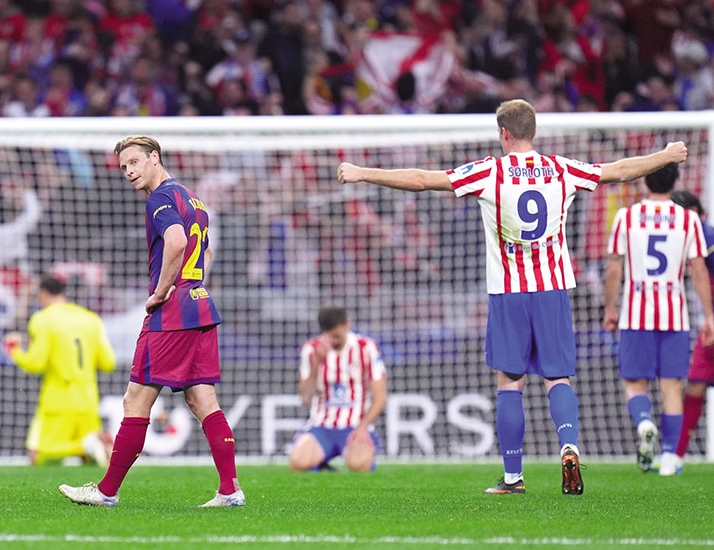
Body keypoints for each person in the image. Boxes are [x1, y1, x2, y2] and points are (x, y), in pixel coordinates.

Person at [337, 99, 689, 496]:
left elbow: (422, 180)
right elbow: (620, 171)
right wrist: (664, 156)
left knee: (510, 383)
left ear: (503, 133)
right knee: (558, 378)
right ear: (534, 131)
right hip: (553, 289)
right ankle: (569, 447)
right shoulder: (561, 168)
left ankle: (512, 477)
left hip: (509, 292)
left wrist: (363, 173)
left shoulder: (490, 171)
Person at [59, 135, 243, 507]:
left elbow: (176, 242)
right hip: (199, 305)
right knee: (203, 399)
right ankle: (229, 490)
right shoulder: (192, 198)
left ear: (154, 158)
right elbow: (202, 250)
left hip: (172, 312)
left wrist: (161, 292)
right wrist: (191, 284)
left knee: (135, 400)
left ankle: (106, 491)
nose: (128, 171)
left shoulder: (160, 198)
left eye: (134, 162)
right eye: (123, 166)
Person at [602, 165, 714, 476]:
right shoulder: (689, 219)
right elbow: (700, 271)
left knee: (634, 382)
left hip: (636, 314)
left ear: (644, 179)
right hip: (674, 316)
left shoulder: (626, 217)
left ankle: (644, 422)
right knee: (672, 388)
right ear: (675, 181)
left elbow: (614, 269)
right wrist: (709, 316)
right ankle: (668, 458)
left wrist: (610, 308)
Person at [3, 275, 117, 467]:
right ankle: (91, 447)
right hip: (88, 401)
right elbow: (108, 363)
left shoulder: (42, 319)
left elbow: (35, 363)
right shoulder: (90, 319)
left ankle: (85, 446)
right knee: (90, 463)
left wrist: (14, 350)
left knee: (39, 456)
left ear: (43, 294)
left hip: (57, 402)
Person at [288, 305, 387, 473]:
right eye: (329, 336)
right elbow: (305, 398)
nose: (332, 341)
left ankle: (361, 456)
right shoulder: (311, 350)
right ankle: (321, 462)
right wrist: (317, 363)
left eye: (337, 336)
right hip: (321, 425)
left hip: (355, 425)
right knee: (298, 463)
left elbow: (380, 397)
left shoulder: (366, 347)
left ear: (346, 324)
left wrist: (363, 428)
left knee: (359, 465)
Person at [668, 189, 714, 467]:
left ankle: (675, 454)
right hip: (708, 326)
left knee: (694, 386)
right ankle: (675, 455)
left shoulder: (707, 237)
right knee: (695, 385)